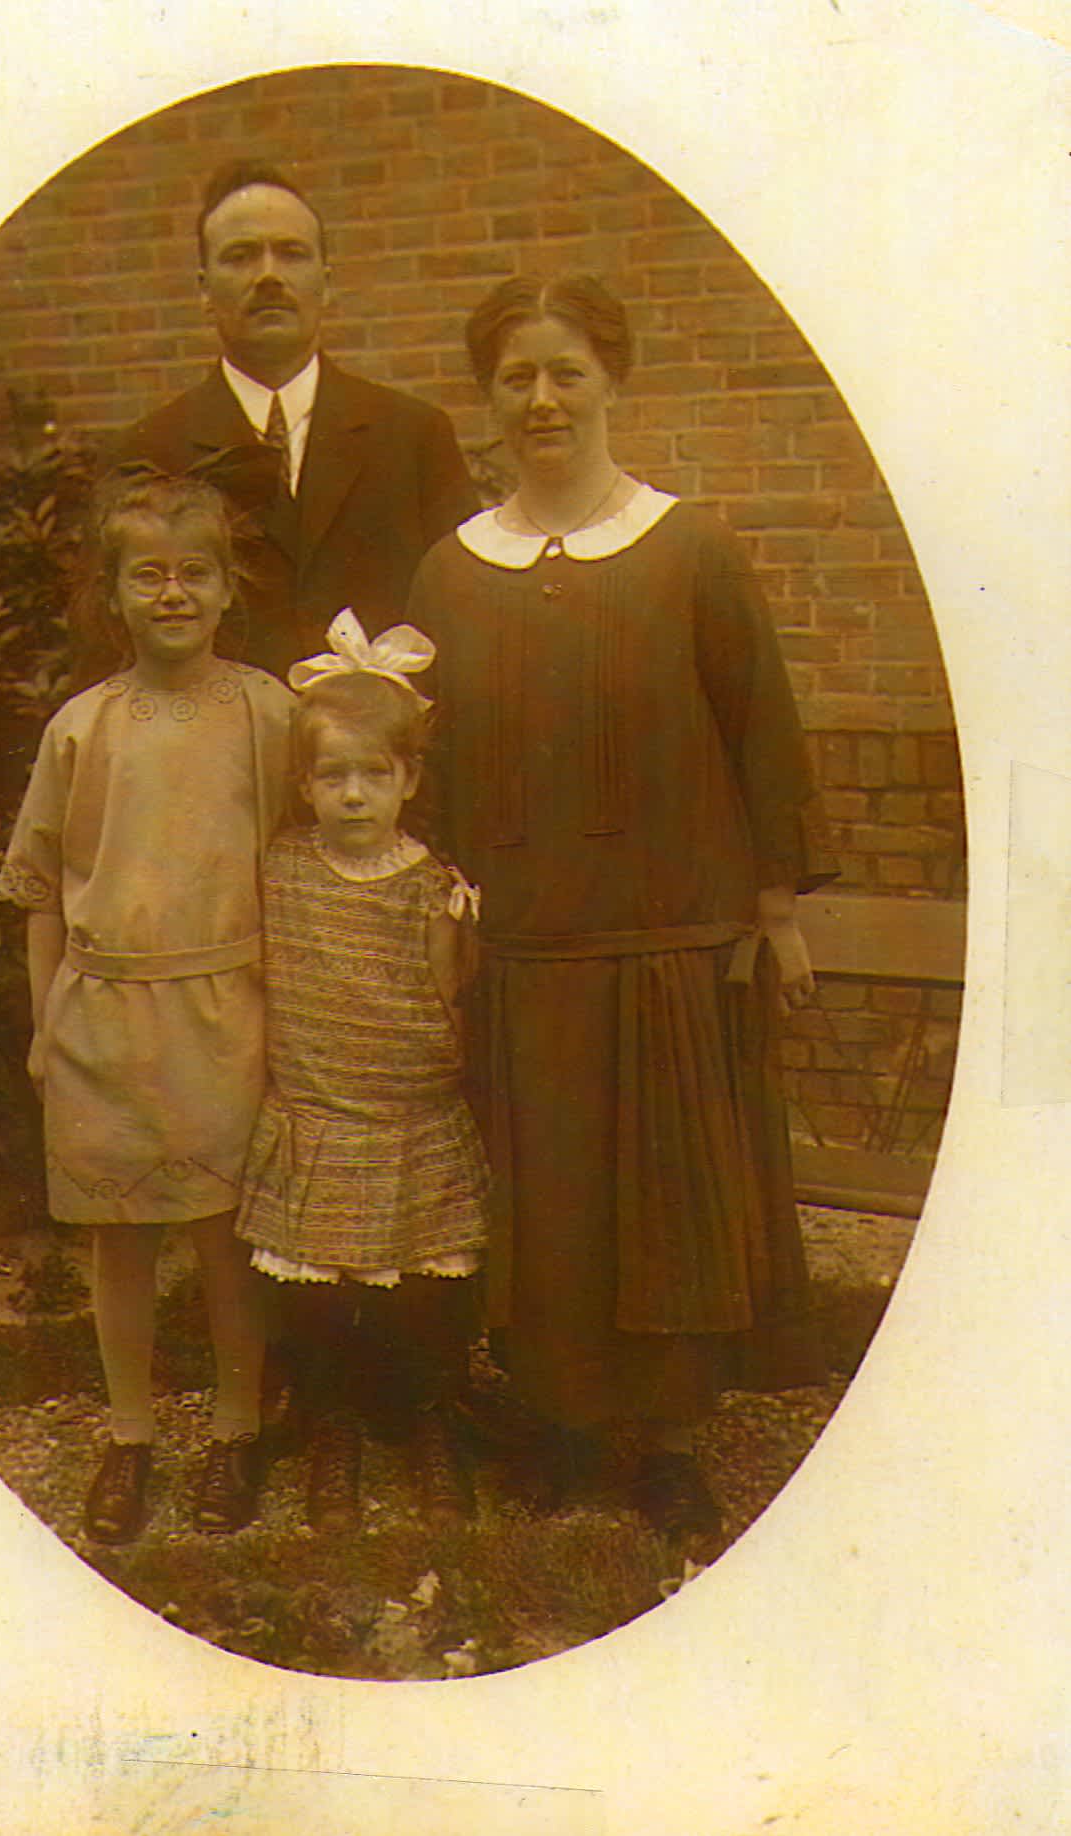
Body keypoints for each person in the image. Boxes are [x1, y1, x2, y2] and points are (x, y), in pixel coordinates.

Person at [406, 273, 837, 1538]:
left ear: (613, 381)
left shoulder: (689, 550)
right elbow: (429, 767)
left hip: (672, 940)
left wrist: (776, 911)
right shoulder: (450, 573)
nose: (542, 398)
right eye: (516, 377)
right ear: (487, 399)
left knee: (669, 1199)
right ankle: (559, 1426)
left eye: (567, 371)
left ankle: (665, 1443)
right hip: (526, 947)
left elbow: (761, 732)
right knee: (546, 1203)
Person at [0, 467, 292, 1543]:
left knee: (225, 1238)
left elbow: (305, 860)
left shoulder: (266, 711)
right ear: (111, 593)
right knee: (118, 1240)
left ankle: (236, 1429)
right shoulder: (84, 726)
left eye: (195, 572)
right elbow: (40, 889)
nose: (173, 594)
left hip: (230, 1010)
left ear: (228, 587)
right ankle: (129, 1434)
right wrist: (46, 1027)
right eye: (148, 575)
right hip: (104, 1015)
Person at [234, 613, 489, 1532]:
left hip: (408, 1119)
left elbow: (450, 1002)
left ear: (408, 780)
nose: (352, 796)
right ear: (303, 784)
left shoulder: (433, 885)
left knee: (425, 1295)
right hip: (319, 1116)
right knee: (318, 1302)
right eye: (332, 776)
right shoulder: (280, 871)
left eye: (373, 775)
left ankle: (430, 1422)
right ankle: (331, 1426)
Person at [111, 160, 480, 680]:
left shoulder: (415, 436)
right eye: (240, 256)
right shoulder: (146, 451)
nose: (268, 275)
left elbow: (462, 621)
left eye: (291, 253)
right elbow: (109, 650)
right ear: (204, 291)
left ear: (326, 284)